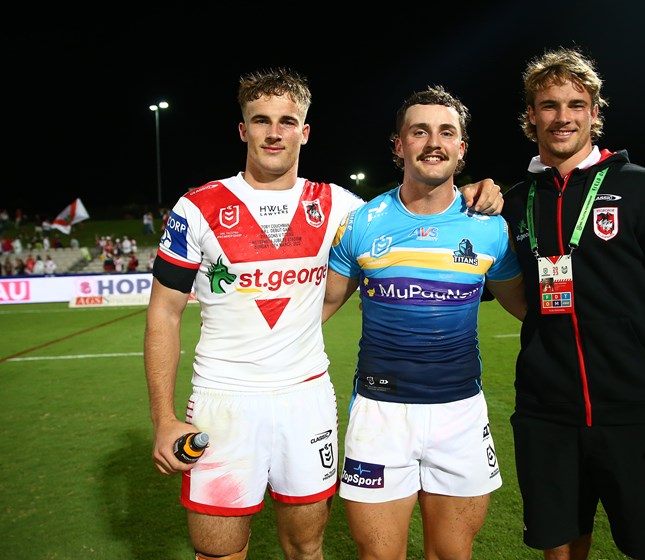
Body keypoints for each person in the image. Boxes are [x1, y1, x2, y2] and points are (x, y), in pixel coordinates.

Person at [143, 68, 504, 560]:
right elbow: (164, 312)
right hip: (223, 399)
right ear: (243, 129)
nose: (275, 132)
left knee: (307, 547)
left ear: (304, 131)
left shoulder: (340, 208)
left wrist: (477, 190)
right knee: (217, 551)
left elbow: (411, 210)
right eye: (262, 120)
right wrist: (163, 419)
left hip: (306, 401)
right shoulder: (199, 206)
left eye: (287, 120)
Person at [500, 47, 645, 560]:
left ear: (595, 113)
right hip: (547, 416)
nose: (563, 117)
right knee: (560, 552)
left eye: (576, 105)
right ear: (530, 116)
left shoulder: (642, 189)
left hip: (637, 412)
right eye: (550, 105)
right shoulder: (515, 203)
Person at [322, 85, 526, 559]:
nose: (433, 142)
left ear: (461, 148)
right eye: (419, 131)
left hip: (459, 413)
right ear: (398, 145)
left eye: (445, 132)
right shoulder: (362, 222)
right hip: (379, 414)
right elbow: (319, 308)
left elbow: (528, 311)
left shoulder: (490, 226)